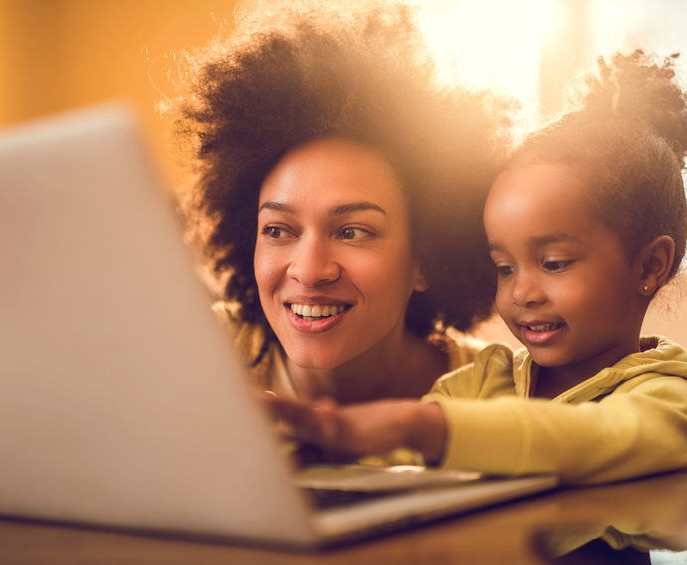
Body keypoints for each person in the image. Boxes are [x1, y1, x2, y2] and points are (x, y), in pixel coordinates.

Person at [263, 50, 687, 485]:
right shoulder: (481, 383)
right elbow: (389, 472)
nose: (522, 293)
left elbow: (593, 438)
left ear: (650, 265)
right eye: (504, 267)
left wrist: (415, 423)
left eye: (554, 263)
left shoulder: (681, 402)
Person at [161, 1, 514, 427]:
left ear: (425, 257)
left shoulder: (500, 392)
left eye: (352, 231)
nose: (309, 272)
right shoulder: (195, 351)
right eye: (277, 229)